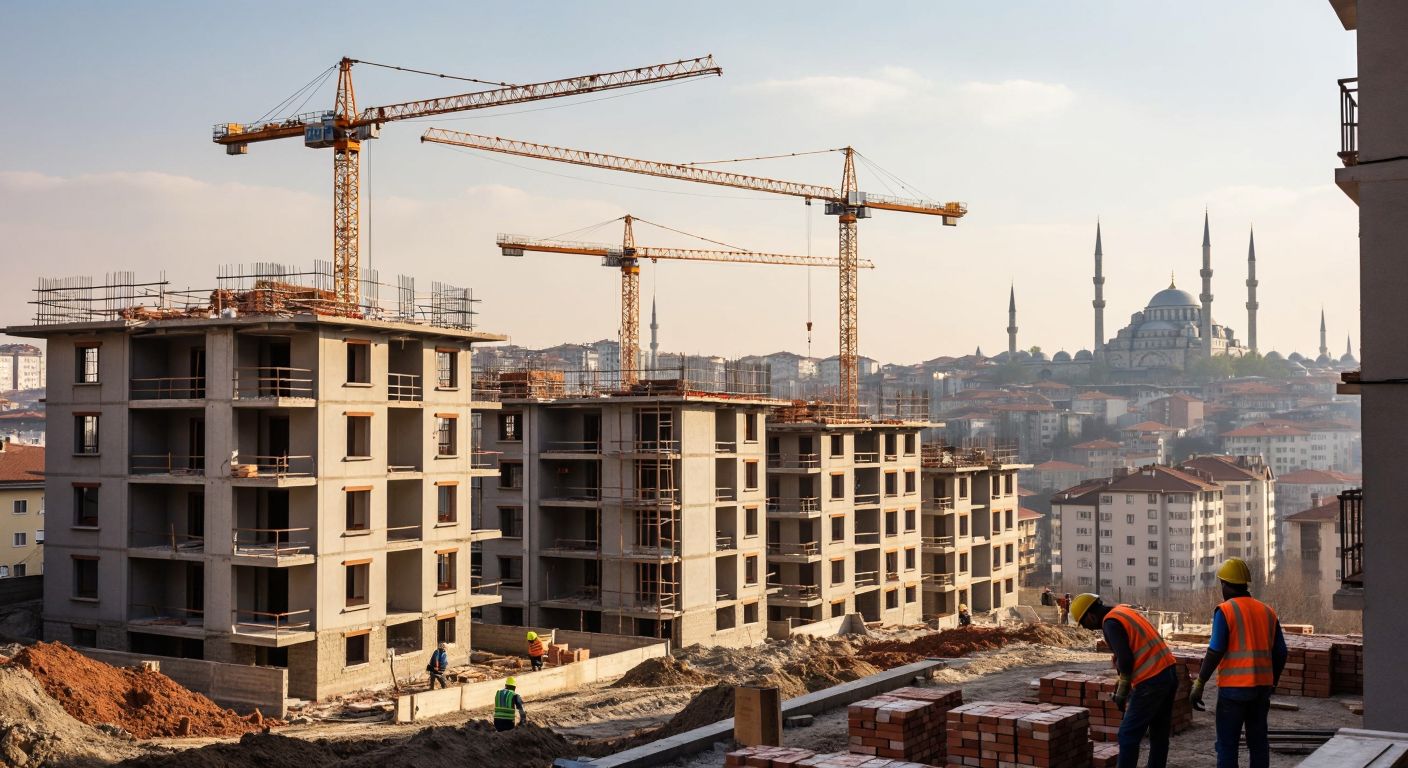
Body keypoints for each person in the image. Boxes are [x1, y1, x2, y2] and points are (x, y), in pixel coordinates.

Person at [1190, 558, 1288, 768]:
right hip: (1261, 689)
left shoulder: (1225, 611)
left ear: (1225, 584)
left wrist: (1200, 683)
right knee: (1259, 743)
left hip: (1233, 692)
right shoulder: (1267, 611)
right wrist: (1273, 682)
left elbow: (1215, 650)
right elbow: (1281, 652)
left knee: (1227, 745)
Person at [1071, 593, 1178, 768]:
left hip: (1151, 681)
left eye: (1084, 624)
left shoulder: (1110, 623)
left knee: (1128, 735)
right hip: (1169, 674)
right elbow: (1131, 650)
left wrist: (1122, 689)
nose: (1087, 629)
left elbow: (1127, 660)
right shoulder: (1124, 611)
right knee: (1159, 734)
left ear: (1090, 616)